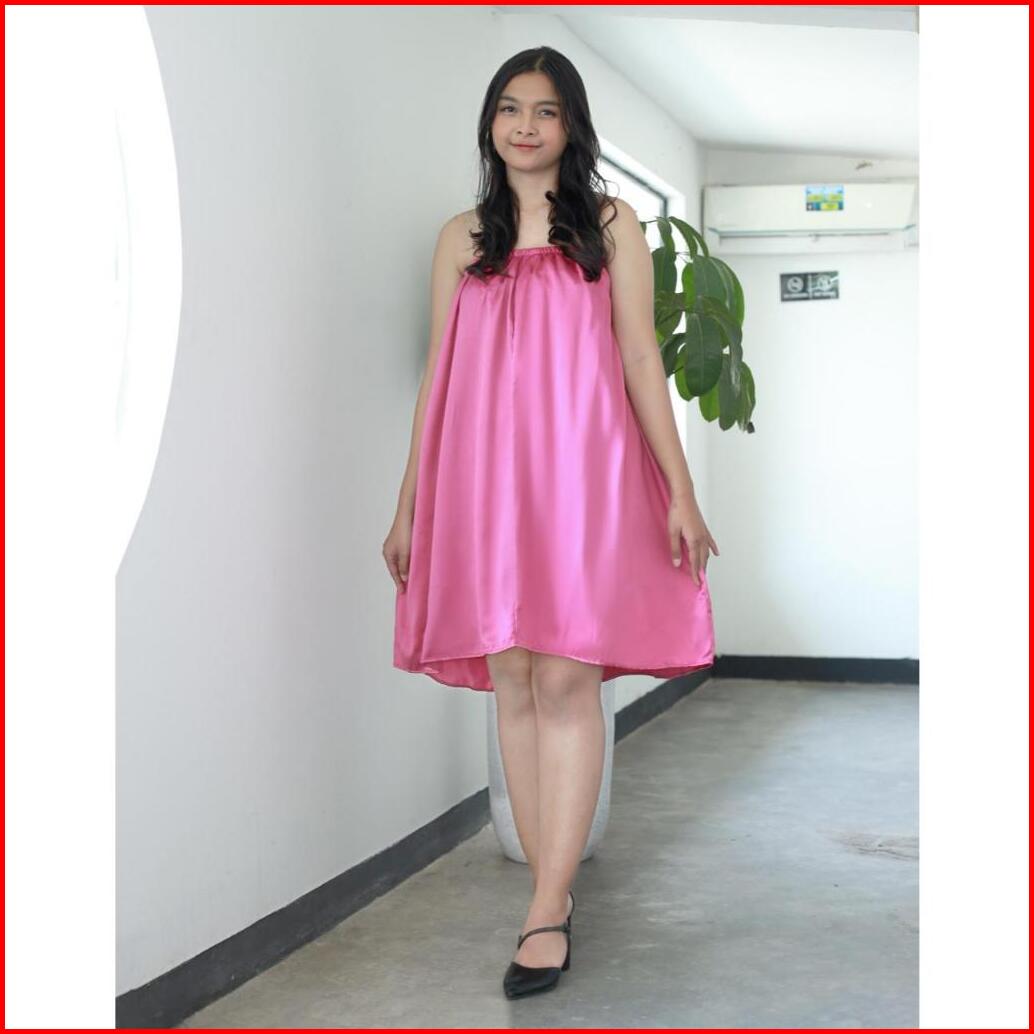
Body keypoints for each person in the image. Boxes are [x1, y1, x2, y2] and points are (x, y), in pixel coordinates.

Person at [383, 46, 717, 999]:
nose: (524, 126)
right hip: (479, 482)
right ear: (490, 124)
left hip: (582, 476)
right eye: (508, 108)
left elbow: (641, 358)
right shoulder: (461, 238)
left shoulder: (611, 226)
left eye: (545, 110)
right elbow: (440, 377)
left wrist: (680, 489)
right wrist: (409, 505)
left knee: (567, 674)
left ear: (572, 126)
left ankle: (544, 911)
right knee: (513, 679)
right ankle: (551, 892)